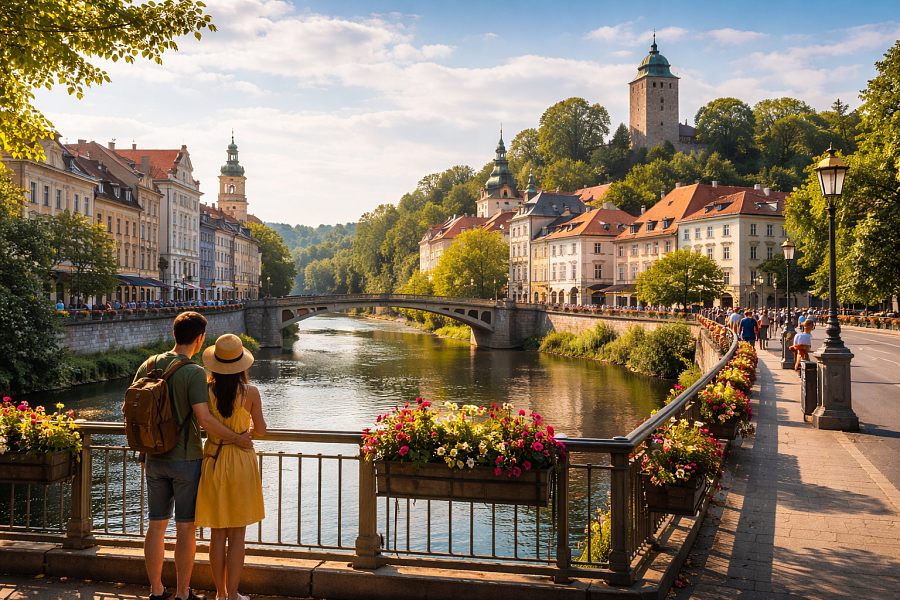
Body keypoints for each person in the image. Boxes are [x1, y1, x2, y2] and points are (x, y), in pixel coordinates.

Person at [133, 313, 254, 600]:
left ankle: (156, 590)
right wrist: (238, 437)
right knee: (185, 527)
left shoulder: (148, 364)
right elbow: (205, 421)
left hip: (153, 455)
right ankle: (183, 594)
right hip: (185, 458)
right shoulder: (193, 371)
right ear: (199, 339)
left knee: (156, 524)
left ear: (174, 334)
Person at [196, 334, 267, 600]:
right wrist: (243, 428)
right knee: (237, 536)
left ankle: (220, 594)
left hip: (213, 459)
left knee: (217, 534)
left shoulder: (205, 391)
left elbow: (202, 422)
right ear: (242, 365)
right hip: (240, 461)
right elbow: (260, 430)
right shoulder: (251, 393)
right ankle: (233, 595)